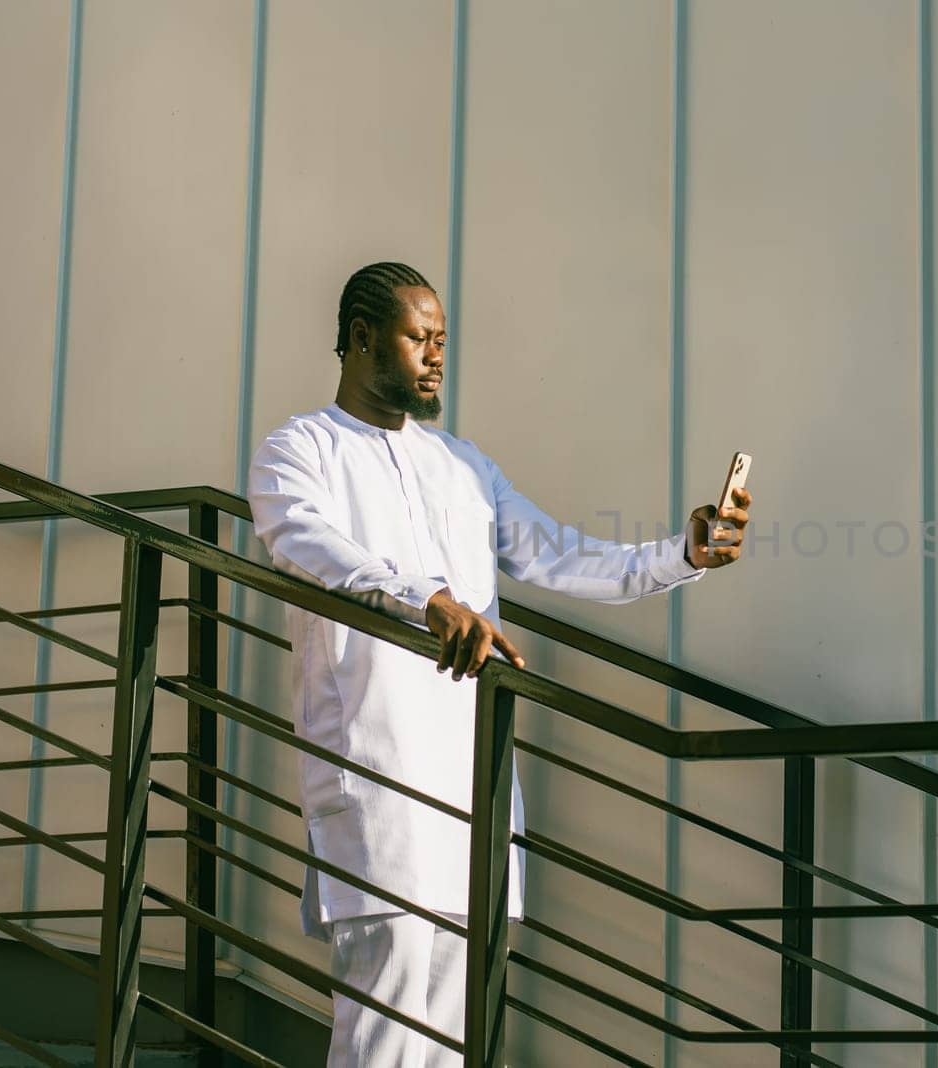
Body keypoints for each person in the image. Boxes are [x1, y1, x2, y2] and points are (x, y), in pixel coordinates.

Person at [247, 261, 751, 1067]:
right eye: (420, 337)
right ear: (361, 338)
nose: (437, 355)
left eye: (443, 339)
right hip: (377, 776)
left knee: (456, 1022)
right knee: (386, 1012)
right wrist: (429, 598)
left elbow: (561, 555)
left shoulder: (462, 464)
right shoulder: (299, 450)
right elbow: (308, 545)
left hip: (474, 779)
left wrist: (679, 553)